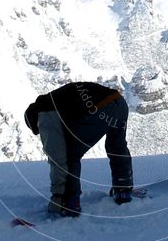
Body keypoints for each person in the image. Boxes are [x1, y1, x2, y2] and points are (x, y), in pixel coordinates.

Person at [24, 82, 134, 216]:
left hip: (98, 108)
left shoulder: (44, 112)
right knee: (116, 146)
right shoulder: (55, 100)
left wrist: (57, 195)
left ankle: (69, 202)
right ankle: (123, 189)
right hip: (119, 103)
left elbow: (57, 158)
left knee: (70, 155)